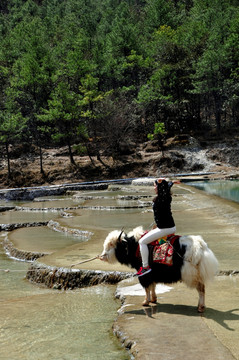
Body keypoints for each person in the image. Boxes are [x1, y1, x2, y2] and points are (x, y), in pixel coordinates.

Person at [137, 178, 180, 277]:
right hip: (167, 227)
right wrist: (171, 183)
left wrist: (162, 182)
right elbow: (166, 187)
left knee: (142, 242)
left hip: (165, 228)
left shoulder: (163, 198)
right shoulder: (165, 197)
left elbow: (164, 189)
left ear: (160, 188)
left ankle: (145, 267)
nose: (153, 188)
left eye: (155, 186)